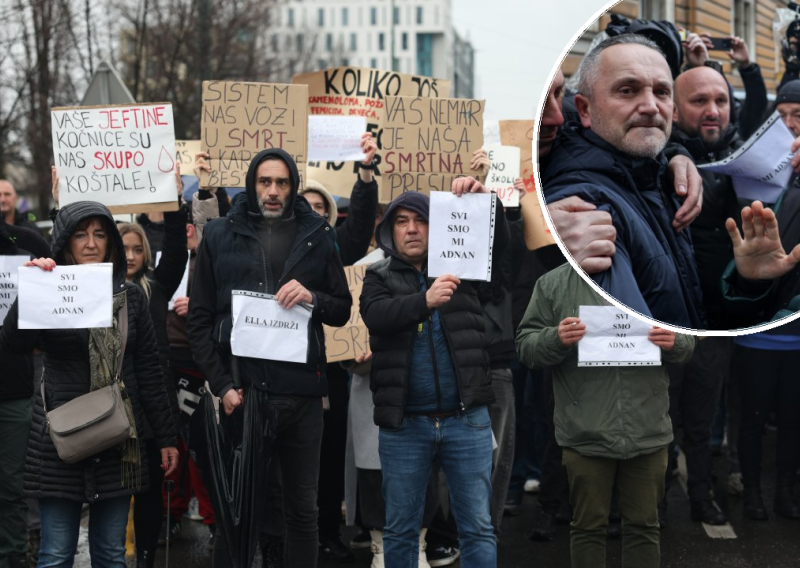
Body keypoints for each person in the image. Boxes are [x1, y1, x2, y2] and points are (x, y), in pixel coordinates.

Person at [187, 147, 351, 567]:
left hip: (302, 398)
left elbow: (342, 308)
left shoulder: (317, 234)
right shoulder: (221, 235)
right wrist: (222, 386)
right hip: (243, 395)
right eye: (265, 182)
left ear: (293, 185)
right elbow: (200, 319)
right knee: (236, 512)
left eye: (281, 182)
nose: (273, 191)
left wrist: (312, 296)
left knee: (303, 513)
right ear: (251, 184)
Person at [0, 201, 179, 567]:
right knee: (55, 554)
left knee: (111, 555)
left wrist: (166, 438)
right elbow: (11, 346)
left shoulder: (130, 299)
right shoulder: (48, 290)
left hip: (118, 441)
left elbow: (149, 373)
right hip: (58, 441)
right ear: (65, 243)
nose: (91, 243)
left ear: (111, 241)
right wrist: (30, 290)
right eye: (81, 234)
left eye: (100, 234)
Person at [359, 177, 508, 568]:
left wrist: (484, 200)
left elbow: (501, 249)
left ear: (436, 225)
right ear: (390, 231)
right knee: (402, 530)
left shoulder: (465, 265)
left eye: (421, 220)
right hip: (406, 425)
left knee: (477, 526)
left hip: (467, 421)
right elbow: (376, 315)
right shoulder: (378, 276)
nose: (411, 229)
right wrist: (423, 301)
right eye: (402, 221)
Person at [516, 263, 695, 568]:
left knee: (644, 529)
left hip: (647, 430)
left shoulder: (655, 277)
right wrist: (554, 338)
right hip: (584, 432)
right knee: (587, 529)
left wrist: (676, 340)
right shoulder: (552, 284)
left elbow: (688, 342)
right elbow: (525, 348)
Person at [540, 33, 705, 329]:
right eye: (628, 91)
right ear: (584, 110)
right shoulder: (584, 206)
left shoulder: (658, 176)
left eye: (662, 92)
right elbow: (627, 348)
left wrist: (749, 284)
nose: (651, 107)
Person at [118, 213, 186, 567]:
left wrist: (175, 204)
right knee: (115, 490)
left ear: (146, 253)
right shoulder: (95, 289)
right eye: (123, 248)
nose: (129, 256)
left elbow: (176, 251)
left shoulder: (156, 288)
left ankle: (145, 556)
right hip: (113, 406)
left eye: (136, 249)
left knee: (149, 491)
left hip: (153, 404)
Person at [0, 217, 49, 568]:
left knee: (11, 487)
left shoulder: (25, 244)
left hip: (12, 389)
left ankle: (13, 556)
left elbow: (57, 295)